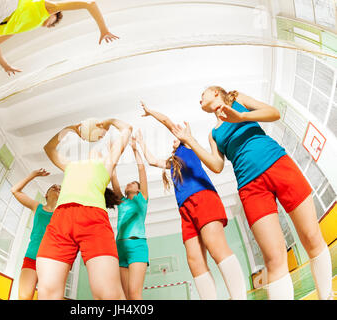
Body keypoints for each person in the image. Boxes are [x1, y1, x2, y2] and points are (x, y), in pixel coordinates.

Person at [170, 87, 333, 300]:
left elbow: (274, 113)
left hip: (278, 164)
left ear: (217, 93)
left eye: (203, 93)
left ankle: (326, 295)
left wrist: (242, 116)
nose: (199, 98)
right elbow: (217, 166)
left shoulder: (237, 100)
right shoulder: (214, 134)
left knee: (311, 237)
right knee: (274, 259)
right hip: (250, 188)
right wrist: (190, 141)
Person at [136, 102, 247, 300]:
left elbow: (167, 122)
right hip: (185, 209)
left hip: (203, 198)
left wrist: (150, 111)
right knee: (194, 260)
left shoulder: (188, 145)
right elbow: (152, 160)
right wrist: (140, 143)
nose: (172, 141)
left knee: (216, 247)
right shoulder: (173, 163)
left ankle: (238, 297)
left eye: (174, 139)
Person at [35, 118, 133, 300]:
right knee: (47, 293)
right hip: (60, 221)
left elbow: (127, 128)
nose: (100, 148)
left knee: (109, 294)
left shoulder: (107, 165)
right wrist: (70, 129)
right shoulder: (70, 165)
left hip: (93, 221)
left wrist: (110, 121)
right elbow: (49, 148)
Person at [10, 168, 60, 300]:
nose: (56, 187)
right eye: (53, 187)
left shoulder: (63, 213)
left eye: (59, 188)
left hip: (51, 262)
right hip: (32, 257)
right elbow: (15, 190)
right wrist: (32, 175)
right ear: (46, 194)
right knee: (24, 297)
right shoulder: (37, 207)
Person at [110, 135, 149, 300]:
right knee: (125, 296)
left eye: (134, 183)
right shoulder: (121, 201)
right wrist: (113, 154)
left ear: (139, 190)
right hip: (120, 248)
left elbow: (142, 170)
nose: (130, 184)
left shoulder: (142, 200)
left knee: (134, 294)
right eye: (129, 183)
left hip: (137, 246)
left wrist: (134, 149)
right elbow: (113, 176)